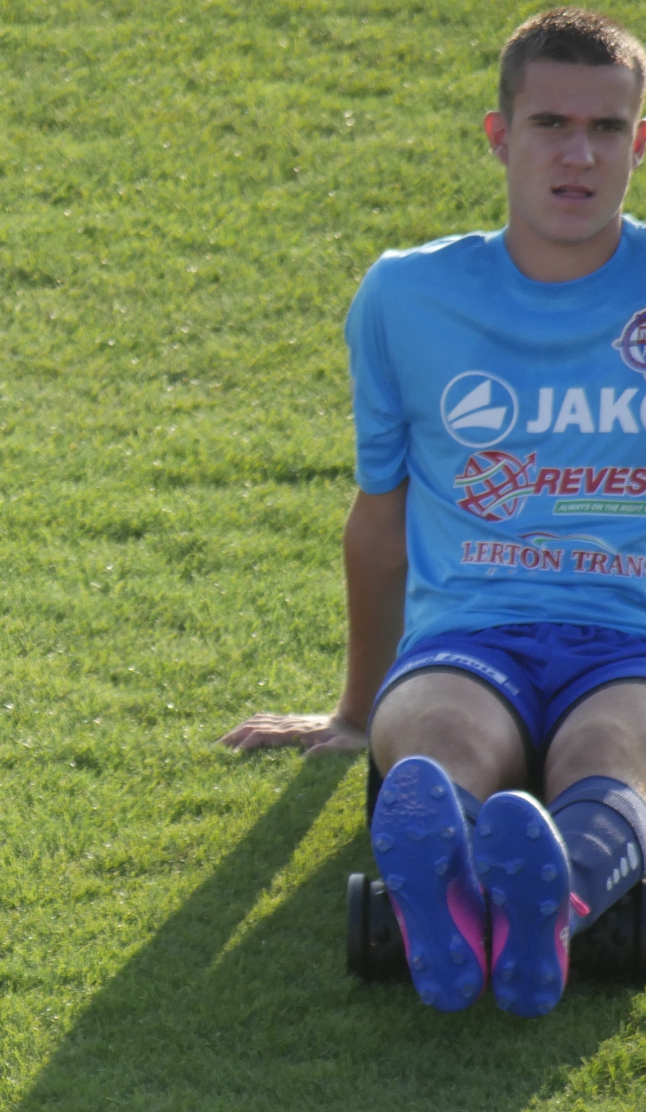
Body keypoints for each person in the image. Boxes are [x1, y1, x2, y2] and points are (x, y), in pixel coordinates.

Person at [224, 8, 646, 1020]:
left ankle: (535, 907)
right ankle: (473, 895)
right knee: (438, 740)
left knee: (615, 749)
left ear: (640, 142)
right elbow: (380, 521)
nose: (579, 155)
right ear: (500, 136)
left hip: (631, 637)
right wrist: (355, 712)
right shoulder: (406, 296)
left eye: (607, 128)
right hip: (469, 634)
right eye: (550, 124)